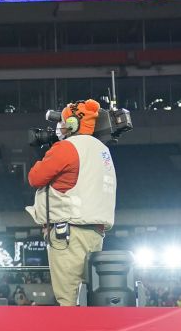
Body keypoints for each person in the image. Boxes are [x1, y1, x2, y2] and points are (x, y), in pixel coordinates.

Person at [26, 99, 117, 306]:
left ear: (74, 124)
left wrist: (49, 151)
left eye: (64, 121)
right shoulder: (102, 150)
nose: (60, 126)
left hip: (69, 234)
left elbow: (35, 177)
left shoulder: (67, 148)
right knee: (89, 296)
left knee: (68, 299)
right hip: (95, 232)